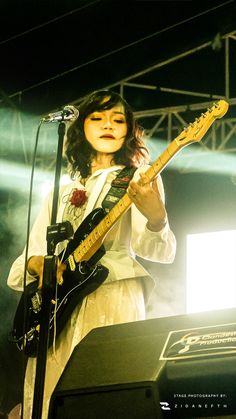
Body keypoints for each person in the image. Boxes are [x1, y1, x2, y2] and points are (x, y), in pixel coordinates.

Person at [7, 89, 176, 418]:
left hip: (111, 294)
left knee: (102, 384)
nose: (107, 124)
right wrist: (37, 262)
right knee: (51, 391)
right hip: (58, 309)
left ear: (128, 130)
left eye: (117, 119)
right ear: (81, 127)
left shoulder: (138, 178)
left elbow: (159, 249)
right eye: (97, 118)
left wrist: (157, 216)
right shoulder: (60, 190)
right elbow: (19, 269)